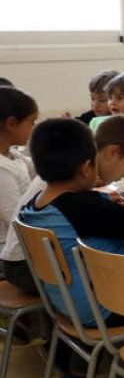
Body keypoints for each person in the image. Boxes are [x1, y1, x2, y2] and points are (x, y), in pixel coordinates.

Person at [18, 118, 124, 378]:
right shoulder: (80, 206)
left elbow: (104, 217)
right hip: (104, 308)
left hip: (66, 303)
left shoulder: (34, 206)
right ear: (86, 167)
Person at [0, 87, 37, 290]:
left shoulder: (13, 156)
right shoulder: (1, 170)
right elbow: (16, 221)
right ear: (11, 123)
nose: (33, 128)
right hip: (9, 254)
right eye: (31, 123)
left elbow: (43, 172)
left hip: (22, 246)